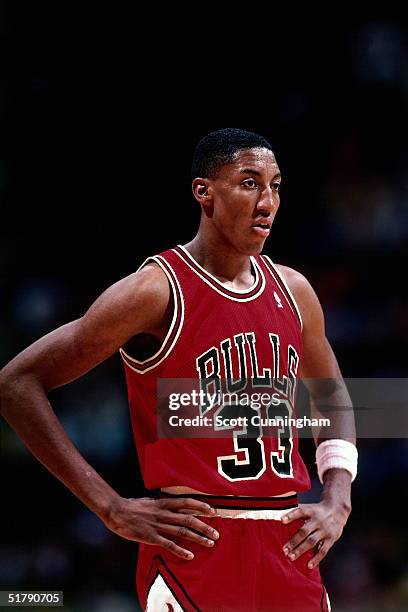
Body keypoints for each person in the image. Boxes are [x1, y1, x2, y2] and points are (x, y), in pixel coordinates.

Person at [0, 128, 357, 611]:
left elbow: (330, 393)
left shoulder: (294, 290)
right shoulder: (154, 291)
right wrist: (110, 507)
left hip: (288, 544)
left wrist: (338, 496)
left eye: (275, 185)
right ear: (203, 192)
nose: (268, 200)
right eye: (249, 182)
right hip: (195, 544)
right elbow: (17, 382)